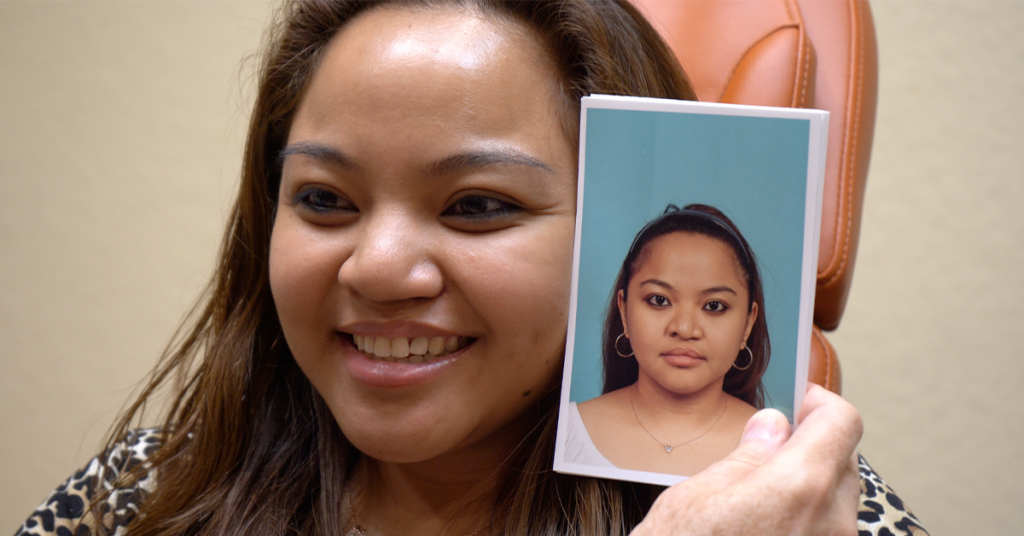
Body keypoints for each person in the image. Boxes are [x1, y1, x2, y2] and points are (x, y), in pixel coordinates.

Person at [13, 1, 928, 535]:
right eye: (325, 199)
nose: (377, 268)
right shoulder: (149, 486)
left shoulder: (797, 510)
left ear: (619, 243)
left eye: (478, 206)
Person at [566, 204, 770, 476]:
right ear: (625, 312)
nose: (684, 329)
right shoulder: (566, 431)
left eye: (714, 306)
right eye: (659, 300)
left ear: (747, 324)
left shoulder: (781, 453)